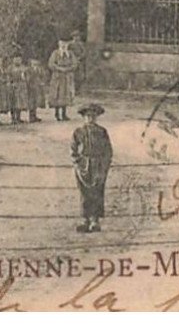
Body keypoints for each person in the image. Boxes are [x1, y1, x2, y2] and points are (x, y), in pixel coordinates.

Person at [71, 103, 112, 233]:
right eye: (88, 116)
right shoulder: (78, 132)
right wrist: (77, 162)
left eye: (93, 116)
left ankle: (95, 220)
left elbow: (108, 151)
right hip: (83, 165)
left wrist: (104, 166)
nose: (90, 119)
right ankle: (84, 219)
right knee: (84, 192)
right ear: (84, 117)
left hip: (98, 164)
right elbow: (73, 149)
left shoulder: (102, 132)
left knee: (97, 191)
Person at [47, 39, 79, 121]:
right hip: (57, 77)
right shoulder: (55, 53)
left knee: (65, 94)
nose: (64, 46)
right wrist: (59, 68)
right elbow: (51, 64)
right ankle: (57, 113)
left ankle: (64, 114)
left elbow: (75, 64)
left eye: (65, 44)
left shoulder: (70, 54)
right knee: (57, 94)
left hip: (67, 77)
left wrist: (68, 69)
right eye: (62, 44)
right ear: (59, 44)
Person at [25, 57, 43, 122]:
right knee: (31, 102)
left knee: (36, 101)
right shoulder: (28, 70)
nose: (35, 64)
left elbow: (42, 76)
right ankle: (31, 116)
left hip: (37, 87)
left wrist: (41, 82)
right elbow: (27, 79)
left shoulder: (39, 69)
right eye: (34, 62)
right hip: (31, 87)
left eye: (36, 62)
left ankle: (34, 115)